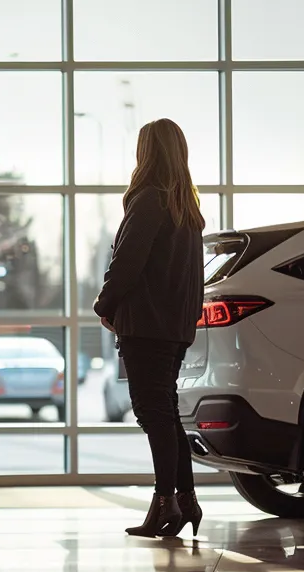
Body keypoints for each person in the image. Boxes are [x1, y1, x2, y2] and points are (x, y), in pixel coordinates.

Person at [94, 118, 206, 538]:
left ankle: (166, 503)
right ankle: (185, 498)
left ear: (147, 153)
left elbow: (127, 263)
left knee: (153, 411)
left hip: (146, 326)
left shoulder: (149, 200)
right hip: (174, 328)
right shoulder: (188, 209)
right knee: (166, 412)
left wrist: (104, 304)